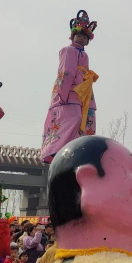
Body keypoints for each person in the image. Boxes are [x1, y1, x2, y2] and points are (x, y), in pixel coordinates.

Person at [41, 10, 98, 164]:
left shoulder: (84, 55)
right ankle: (58, 149)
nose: (81, 38)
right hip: (70, 91)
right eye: (78, 34)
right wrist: (62, 94)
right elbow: (66, 72)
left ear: (88, 41)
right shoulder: (68, 50)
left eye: (84, 36)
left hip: (83, 92)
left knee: (83, 121)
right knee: (73, 118)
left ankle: (76, 151)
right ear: (72, 36)